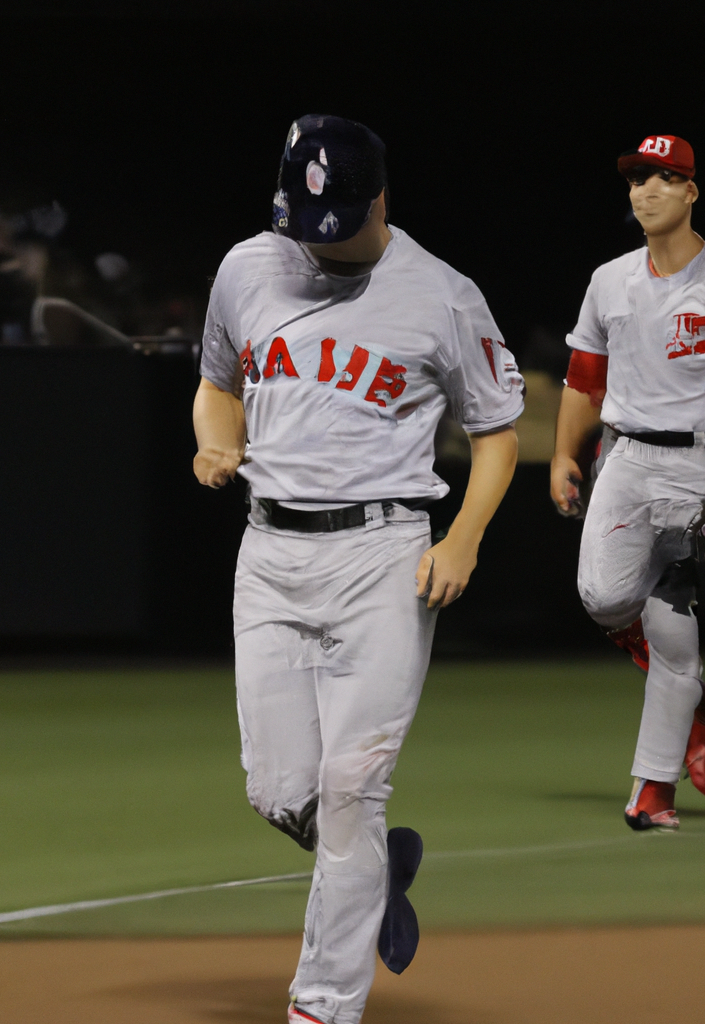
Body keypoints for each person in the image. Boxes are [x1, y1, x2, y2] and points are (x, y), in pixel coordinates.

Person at [193, 114, 524, 1024]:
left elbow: (497, 430)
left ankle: (323, 1006)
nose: (320, 237)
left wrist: (463, 538)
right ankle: (379, 873)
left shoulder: (441, 294)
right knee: (281, 792)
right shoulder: (248, 266)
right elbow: (217, 380)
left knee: (350, 788)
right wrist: (215, 441)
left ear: (380, 199)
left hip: (383, 554)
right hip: (268, 554)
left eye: (340, 217)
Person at [550, 135, 705, 831]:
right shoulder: (609, 280)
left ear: (691, 191)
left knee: (672, 626)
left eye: (664, 178)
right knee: (602, 597)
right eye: (638, 178)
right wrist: (563, 456)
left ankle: (653, 791)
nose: (646, 190)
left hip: (700, 464)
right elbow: (584, 381)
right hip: (627, 459)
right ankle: (701, 703)